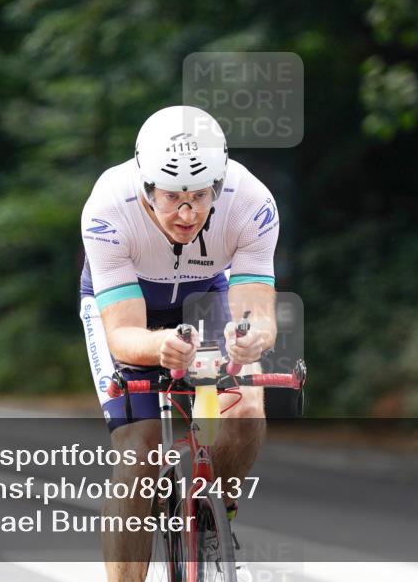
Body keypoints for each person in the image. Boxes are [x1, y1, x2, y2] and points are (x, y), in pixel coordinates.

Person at [79, 105, 279, 581]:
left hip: (205, 294)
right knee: (140, 449)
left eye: (200, 196)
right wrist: (160, 348)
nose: (187, 213)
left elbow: (259, 314)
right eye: (172, 198)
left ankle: (216, 519)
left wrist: (250, 339)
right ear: (146, 189)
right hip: (129, 305)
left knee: (246, 410)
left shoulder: (251, 200)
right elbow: (124, 335)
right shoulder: (108, 206)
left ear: (220, 183)